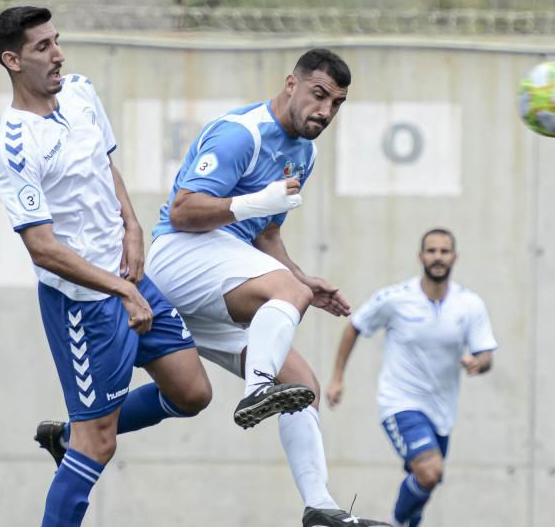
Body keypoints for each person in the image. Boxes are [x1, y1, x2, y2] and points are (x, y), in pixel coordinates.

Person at [144, 48, 390, 526]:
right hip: (179, 256)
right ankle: (258, 387)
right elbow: (183, 212)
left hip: (223, 270)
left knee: (300, 386)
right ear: (291, 84)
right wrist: (257, 208)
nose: (325, 111)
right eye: (319, 95)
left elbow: (266, 233)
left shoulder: (306, 152)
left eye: (337, 104)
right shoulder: (241, 134)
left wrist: (300, 280)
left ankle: (320, 508)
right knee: (282, 316)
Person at [0, 7, 211, 527]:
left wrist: (132, 226)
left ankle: (67, 435)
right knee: (100, 443)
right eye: (42, 47)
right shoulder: (15, 144)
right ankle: (80, 440)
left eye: (56, 41)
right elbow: (41, 248)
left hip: (128, 278)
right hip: (83, 306)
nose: (57, 54)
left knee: (192, 392)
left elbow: (105, 165)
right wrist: (120, 289)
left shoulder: (82, 91)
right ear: (12, 60)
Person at [327, 228, 498, 527]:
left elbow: (486, 355)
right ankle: (393, 522)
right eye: (432, 251)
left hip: (442, 410)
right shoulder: (396, 298)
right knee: (430, 471)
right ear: (421, 256)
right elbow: (355, 325)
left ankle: (407, 522)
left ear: (454, 257)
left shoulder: (469, 304)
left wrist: (477, 363)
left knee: (426, 480)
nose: (438, 257)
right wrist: (337, 378)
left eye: (444, 251)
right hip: (400, 402)